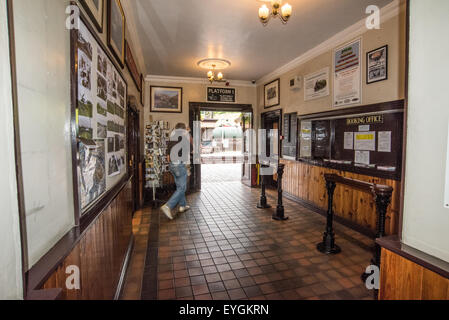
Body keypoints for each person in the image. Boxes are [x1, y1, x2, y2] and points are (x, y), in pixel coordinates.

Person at [160, 123, 191, 220]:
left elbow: (168, 157)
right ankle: (168, 206)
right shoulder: (184, 138)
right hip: (179, 165)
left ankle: (183, 205)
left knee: (179, 187)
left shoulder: (171, 139)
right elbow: (190, 151)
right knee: (182, 188)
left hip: (172, 165)